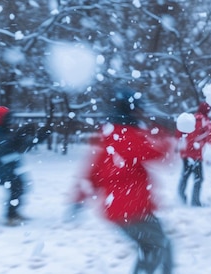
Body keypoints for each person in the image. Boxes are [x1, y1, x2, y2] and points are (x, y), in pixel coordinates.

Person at [69, 87, 175, 274]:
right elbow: (159, 154)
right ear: (132, 110)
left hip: (126, 208)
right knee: (157, 247)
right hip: (131, 209)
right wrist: (163, 133)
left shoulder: (110, 136)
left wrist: (79, 197)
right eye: (139, 109)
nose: (142, 113)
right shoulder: (127, 136)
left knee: (158, 246)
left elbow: (93, 172)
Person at [0, 106, 52, 226]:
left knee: (19, 188)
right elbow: (7, 148)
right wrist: (20, 137)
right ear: (0, 119)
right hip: (5, 169)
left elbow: (18, 147)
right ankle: (10, 216)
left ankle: (14, 213)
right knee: (15, 189)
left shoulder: (3, 130)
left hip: (12, 167)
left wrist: (36, 139)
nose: (10, 120)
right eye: (7, 118)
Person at [176, 101, 211, 206]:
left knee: (185, 175)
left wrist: (182, 147)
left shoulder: (190, 119)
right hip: (197, 154)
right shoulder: (206, 122)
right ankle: (195, 201)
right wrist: (210, 156)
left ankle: (181, 197)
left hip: (186, 153)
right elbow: (210, 140)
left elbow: (179, 133)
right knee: (198, 178)